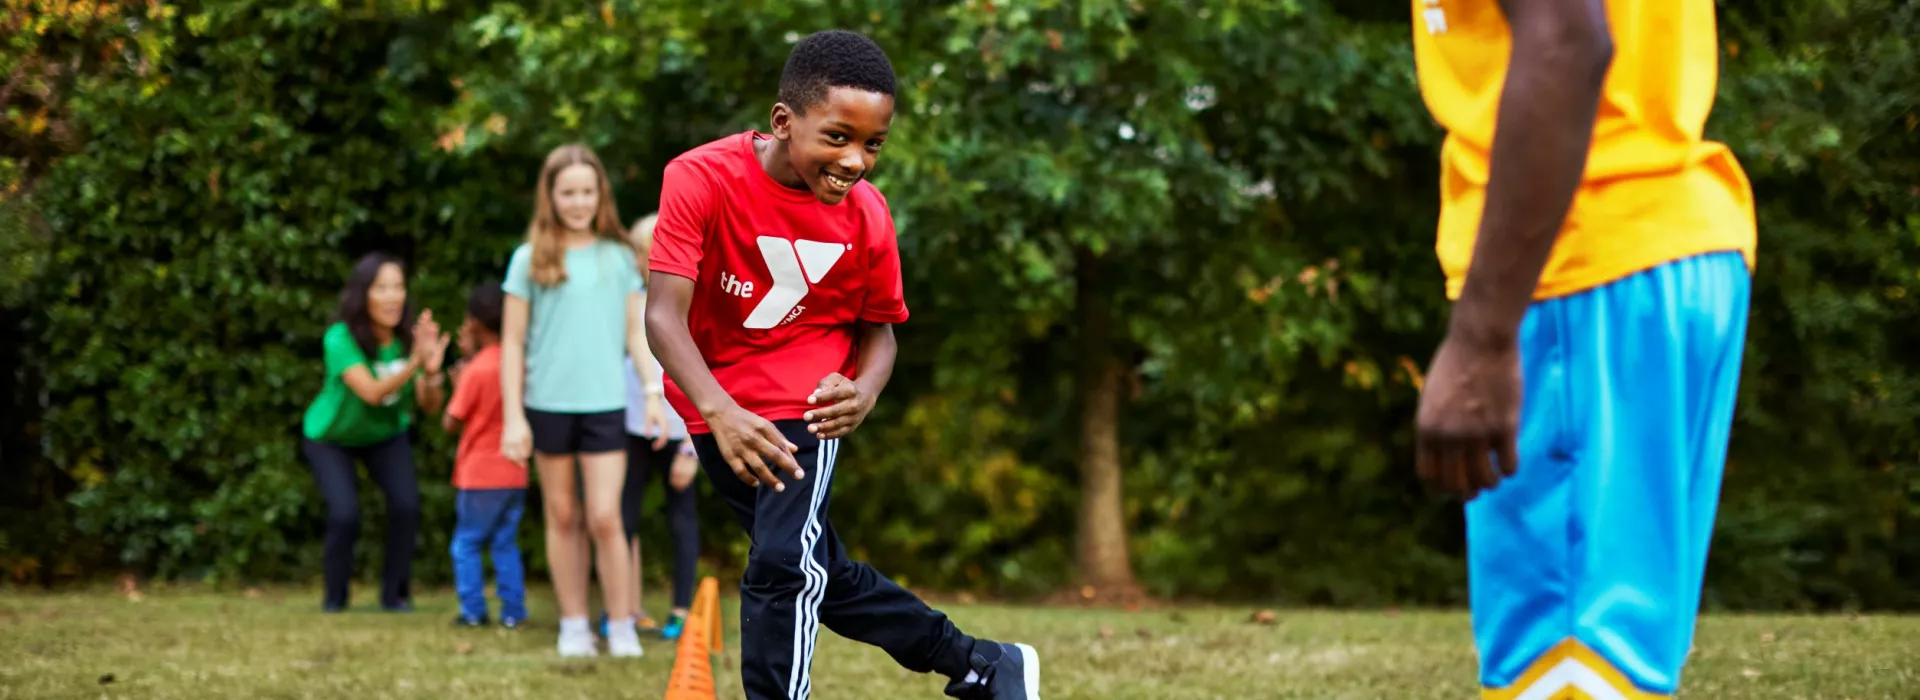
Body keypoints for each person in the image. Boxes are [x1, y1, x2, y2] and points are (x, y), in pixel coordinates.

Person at [644, 29, 1039, 700]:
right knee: (817, 567)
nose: (856, 160)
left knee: (782, 564)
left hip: (806, 403)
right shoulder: (700, 177)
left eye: (873, 144)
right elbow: (662, 315)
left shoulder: (868, 217)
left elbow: (881, 333)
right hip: (717, 407)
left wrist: (864, 391)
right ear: (783, 121)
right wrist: (719, 411)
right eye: (837, 137)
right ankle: (981, 664)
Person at [1408, 0, 1756, 697]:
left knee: (1567, 669)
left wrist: (1481, 337)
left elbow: (1567, 40)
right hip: (1652, 242)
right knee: (1612, 670)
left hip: (1583, 263)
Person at [500, 144, 667, 658]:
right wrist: (513, 418)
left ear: (601, 196)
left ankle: (619, 624)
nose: (577, 202)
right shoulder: (529, 259)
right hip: (547, 405)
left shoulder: (619, 258)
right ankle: (573, 624)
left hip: (604, 406)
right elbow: (511, 342)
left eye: (586, 192)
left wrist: (653, 392)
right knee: (563, 515)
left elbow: (637, 335)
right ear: (550, 196)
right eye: (567, 192)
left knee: (604, 517)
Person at [300, 252, 450, 613]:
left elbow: (430, 406)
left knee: (407, 505)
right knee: (344, 513)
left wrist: (430, 372)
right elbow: (370, 392)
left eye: (398, 287)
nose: (392, 296)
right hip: (331, 437)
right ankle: (335, 599)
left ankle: (395, 595)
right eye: (381, 288)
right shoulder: (340, 338)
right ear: (363, 294)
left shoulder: (406, 337)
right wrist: (415, 361)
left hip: (384, 434)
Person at [602, 213, 704, 642]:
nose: (649, 257)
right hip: (630, 425)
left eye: (655, 248)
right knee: (621, 516)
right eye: (642, 251)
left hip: (683, 431)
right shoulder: (627, 302)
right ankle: (624, 607)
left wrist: (691, 451)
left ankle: (681, 609)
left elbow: (710, 374)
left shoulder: (694, 304)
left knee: (681, 520)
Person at [444, 281, 529, 629]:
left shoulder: (476, 369)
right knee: (505, 544)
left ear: (475, 323)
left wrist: (458, 381)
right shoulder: (518, 364)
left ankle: (474, 612)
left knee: (466, 544)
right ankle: (513, 612)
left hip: (479, 475)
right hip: (514, 470)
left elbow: (452, 421)